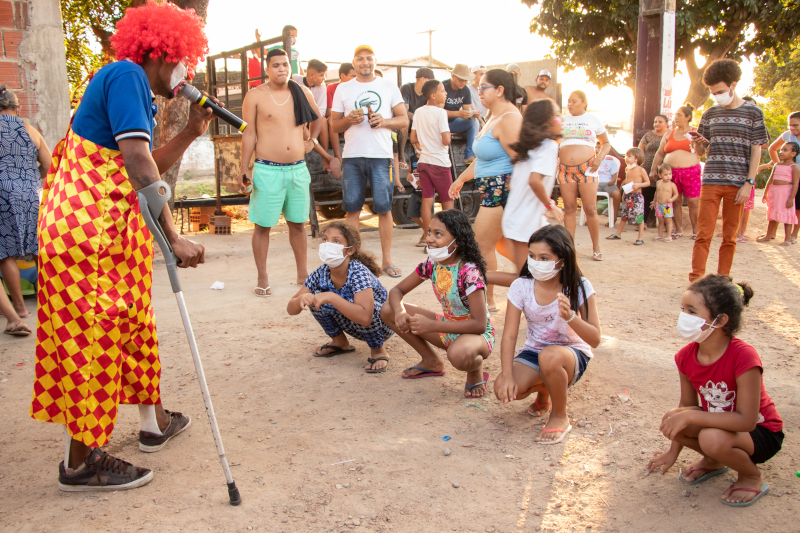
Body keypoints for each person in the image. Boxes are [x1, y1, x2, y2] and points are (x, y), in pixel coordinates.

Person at [31, 1, 209, 491]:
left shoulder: (131, 87)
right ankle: (79, 463)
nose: (186, 71)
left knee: (133, 327)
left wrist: (190, 132)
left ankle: (154, 423)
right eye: (183, 60)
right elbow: (137, 163)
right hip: (89, 234)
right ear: (161, 52)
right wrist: (173, 236)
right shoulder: (127, 75)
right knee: (93, 340)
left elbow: (141, 158)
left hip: (108, 232)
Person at [647, 275, 782, 508]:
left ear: (720, 320)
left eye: (691, 311)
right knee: (673, 418)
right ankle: (714, 460)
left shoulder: (744, 356)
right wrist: (673, 451)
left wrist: (690, 416)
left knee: (708, 435)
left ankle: (750, 476)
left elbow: (747, 421)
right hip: (724, 427)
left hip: (761, 433)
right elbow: (686, 407)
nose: (683, 316)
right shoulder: (685, 357)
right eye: (683, 309)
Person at [490, 225, 600, 444]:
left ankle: (559, 415)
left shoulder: (579, 286)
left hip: (570, 355)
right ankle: (546, 394)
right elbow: (509, 335)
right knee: (504, 387)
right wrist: (508, 374)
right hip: (534, 352)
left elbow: (595, 338)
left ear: (563, 260)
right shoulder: (521, 286)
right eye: (532, 256)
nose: (535, 262)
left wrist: (571, 317)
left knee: (549, 357)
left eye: (544, 258)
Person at [381, 210, 495, 397]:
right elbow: (396, 291)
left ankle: (475, 371)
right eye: (429, 232)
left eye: (438, 234)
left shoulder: (469, 271)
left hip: (476, 336)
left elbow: (480, 324)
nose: (429, 239)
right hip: (448, 326)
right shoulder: (432, 263)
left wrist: (432, 325)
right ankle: (431, 361)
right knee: (388, 309)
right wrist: (400, 312)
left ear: (457, 241)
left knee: (459, 355)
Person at [240, 48, 321, 296]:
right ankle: (262, 277)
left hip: (297, 170)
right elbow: (249, 134)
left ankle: (303, 275)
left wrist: (313, 141)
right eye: (276, 65)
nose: (281, 69)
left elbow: (319, 118)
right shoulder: (255, 96)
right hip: (267, 170)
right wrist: (244, 168)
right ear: (267, 69)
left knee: (298, 224)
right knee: (262, 226)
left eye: (285, 64)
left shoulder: (302, 92)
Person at [330, 45, 408, 278]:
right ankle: (354, 262)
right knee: (352, 210)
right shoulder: (343, 88)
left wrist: (384, 122)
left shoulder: (388, 85)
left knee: (384, 209)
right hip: (352, 157)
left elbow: (404, 120)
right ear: (354, 63)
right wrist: (348, 120)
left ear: (375, 61)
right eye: (360, 59)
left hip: (381, 156)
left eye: (369, 58)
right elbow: (333, 125)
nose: (365, 62)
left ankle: (387, 260)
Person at [689, 59, 769, 281]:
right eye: (713, 93)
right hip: (711, 181)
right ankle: (696, 280)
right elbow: (701, 152)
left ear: (733, 85)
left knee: (729, 237)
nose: (717, 96)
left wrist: (749, 183)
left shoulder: (754, 112)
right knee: (703, 234)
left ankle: (723, 281)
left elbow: (756, 151)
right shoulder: (710, 113)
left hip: (738, 183)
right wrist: (698, 142)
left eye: (720, 92)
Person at [449, 69, 522, 310]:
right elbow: (484, 159)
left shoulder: (509, 118)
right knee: (504, 246)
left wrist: (514, 194)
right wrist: (461, 179)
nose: (478, 92)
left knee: (481, 246)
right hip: (493, 189)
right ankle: (539, 284)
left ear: (500, 90)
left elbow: (521, 161)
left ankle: (488, 302)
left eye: (482, 87)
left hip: (501, 191)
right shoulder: (493, 116)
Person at [287, 221, 394, 372]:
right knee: (316, 298)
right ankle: (339, 342)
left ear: (350, 250)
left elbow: (366, 317)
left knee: (361, 306)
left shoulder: (358, 272)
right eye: (325, 239)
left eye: (336, 241)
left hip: (383, 325)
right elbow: (291, 309)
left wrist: (331, 297)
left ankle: (378, 351)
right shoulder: (321, 272)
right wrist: (301, 299)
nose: (328, 245)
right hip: (353, 324)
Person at [0, 85, 51, 320]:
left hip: (2, 193)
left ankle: (20, 309)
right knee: (37, 247)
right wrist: (29, 176)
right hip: (30, 193)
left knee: (6, 253)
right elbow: (48, 165)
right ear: (17, 107)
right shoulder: (29, 129)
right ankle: (50, 300)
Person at [502, 98, 565, 269]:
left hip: (522, 218)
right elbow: (534, 181)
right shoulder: (549, 146)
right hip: (524, 221)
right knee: (525, 277)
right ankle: (470, 277)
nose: (562, 120)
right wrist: (550, 205)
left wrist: (542, 206)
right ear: (546, 122)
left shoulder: (528, 148)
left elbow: (514, 185)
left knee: (531, 275)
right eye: (557, 116)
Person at [559, 90, 612, 261]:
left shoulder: (593, 119)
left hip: (588, 168)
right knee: (569, 208)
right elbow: (551, 139)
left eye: (574, 101)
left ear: (584, 102)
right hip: (565, 169)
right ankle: (569, 249)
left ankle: (596, 247)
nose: (570, 104)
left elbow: (606, 143)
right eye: (568, 101)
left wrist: (599, 158)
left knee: (590, 208)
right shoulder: (562, 120)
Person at [410, 80, 454, 238]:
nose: (446, 93)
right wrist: (449, 136)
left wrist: (420, 145)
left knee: (427, 200)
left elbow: (412, 138)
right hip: (440, 162)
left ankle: (428, 236)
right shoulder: (441, 113)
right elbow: (445, 141)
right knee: (448, 201)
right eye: (443, 91)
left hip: (423, 162)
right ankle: (449, 236)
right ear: (433, 95)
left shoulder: (418, 112)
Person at [651, 105, 700, 239]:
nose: (676, 118)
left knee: (693, 202)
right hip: (671, 173)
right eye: (675, 115)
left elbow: (703, 151)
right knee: (675, 200)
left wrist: (698, 143)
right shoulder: (669, 133)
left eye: (679, 115)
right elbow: (660, 153)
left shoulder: (695, 132)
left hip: (691, 172)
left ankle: (696, 230)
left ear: (688, 117)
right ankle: (678, 230)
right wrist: (654, 169)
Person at [293, 59, 339, 177]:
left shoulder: (322, 86)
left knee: (322, 120)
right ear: (311, 75)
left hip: (313, 119)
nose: (324, 78)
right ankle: (328, 157)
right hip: (297, 119)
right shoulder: (295, 80)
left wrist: (309, 118)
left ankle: (325, 159)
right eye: (321, 75)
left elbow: (321, 110)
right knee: (303, 129)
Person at [756, 142, 799, 245]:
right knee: (773, 215)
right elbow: (770, 180)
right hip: (775, 193)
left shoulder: (794, 167)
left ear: (793, 154)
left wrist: (791, 198)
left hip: (786, 194)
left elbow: (796, 184)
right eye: (781, 149)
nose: (781, 152)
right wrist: (765, 193)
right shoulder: (777, 165)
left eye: (785, 150)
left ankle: (787, 239)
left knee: (787, 216)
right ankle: (768, 236)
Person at [767, 112, 799, 243]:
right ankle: (771, 233)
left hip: (797, 174)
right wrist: (779, 166)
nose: (792, 128)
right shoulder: (787, 135)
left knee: (797, 207)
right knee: (779, 205)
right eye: (790, 125)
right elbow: (772, 148)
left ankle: (793, 234)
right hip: (787, 177)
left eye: (796, 125)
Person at [606, 148, 649, 244]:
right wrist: (623, 191)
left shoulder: (641, 170)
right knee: (624, 215)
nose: (626, 158)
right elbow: (627, 180)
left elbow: (647, 182)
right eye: (626, 156)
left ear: (636, 158)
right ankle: (618, 233)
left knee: (639, 217)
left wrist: (639, 185)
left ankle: (640, 237)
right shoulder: (627, 169)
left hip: (637, 197)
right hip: (628, 195)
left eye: (629, 156)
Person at [399, 68, 435, 169]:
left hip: (419, 122)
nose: (431, 85)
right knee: (405, 122)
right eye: (430, 81)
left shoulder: (428, 93)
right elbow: (404, 112)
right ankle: (401, 157)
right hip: (409, 122)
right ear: (423, 79)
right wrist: (419, 118)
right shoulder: (406, 88)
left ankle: (427, 159)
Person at [442, 64, 479, 164]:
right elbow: (437, 112)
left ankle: (469, 155)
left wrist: (474, 113)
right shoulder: (442, 87)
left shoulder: (465, 90)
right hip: (439, 125)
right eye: (461, 80)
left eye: (465, 80)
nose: (463, 82)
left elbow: (468, 108)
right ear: (453, 76)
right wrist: (458, 114)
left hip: (453, 123)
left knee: (474, 122)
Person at [638, 114, 669, 225]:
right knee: (646, 196)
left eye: (660, 122)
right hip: (648, 168)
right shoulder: (648, 135)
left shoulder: (670, 135)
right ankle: (643, 222)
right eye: (655, 121)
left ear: (666, 123)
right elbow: (640, 150)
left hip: (665, 169)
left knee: (665, 196)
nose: (657, 124)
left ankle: (667, 223)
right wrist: (639, 166)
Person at [326, 63, 356, 170]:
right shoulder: (331, 88)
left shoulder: (357, 88)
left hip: (353, 121)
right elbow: (328, 112)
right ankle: (338, 158)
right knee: (332, 121)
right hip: (339, 121)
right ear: (342, 76)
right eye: (353, 76)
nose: (355, 79)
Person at [651, 163, 679, 241]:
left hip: (667, 205)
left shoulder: (672, 185)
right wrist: (654, 201)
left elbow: (676, 194)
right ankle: (659, 235)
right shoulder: (658, 183)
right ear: (660, 175)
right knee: (660, 221)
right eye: (666, 174)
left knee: (668, 221)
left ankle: (669, 236)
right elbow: (657, 192)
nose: (668, 176)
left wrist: (672, 199)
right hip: (659, 205)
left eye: (670, 174)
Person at [595, 141, 622, 224]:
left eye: (599, 147)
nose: (596, 149)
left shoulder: (610, 160)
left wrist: (612, 181)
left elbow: (614, 175)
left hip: (607, 183)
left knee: (617, 194)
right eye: (595, 147)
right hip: (594, 182)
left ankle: (613, 218)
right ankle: (591, 219)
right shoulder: (590, 159)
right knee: (589, 193)